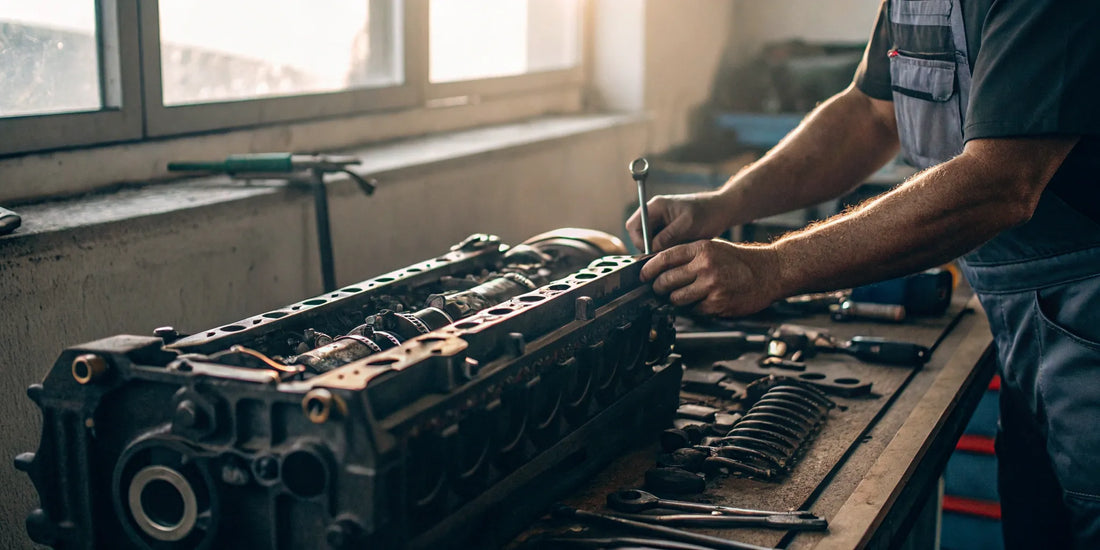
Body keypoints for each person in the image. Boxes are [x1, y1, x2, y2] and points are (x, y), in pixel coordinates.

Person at [626, 0, 1100, 547]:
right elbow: (871, 114)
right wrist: (724, 203)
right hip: (1020, 317)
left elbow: (999, 181)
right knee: (1042, 525)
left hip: (1088, 309)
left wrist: (773, 266)